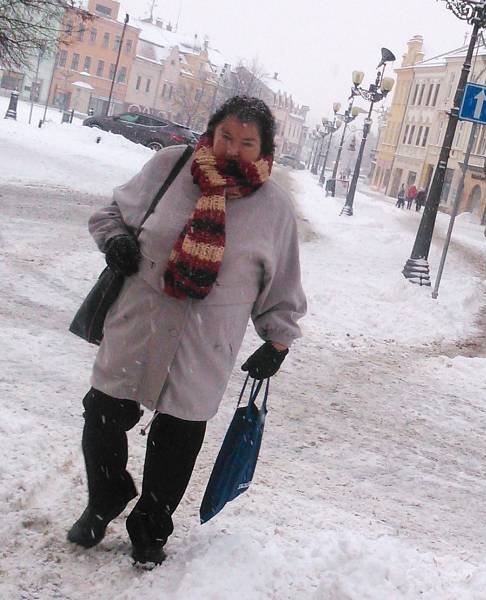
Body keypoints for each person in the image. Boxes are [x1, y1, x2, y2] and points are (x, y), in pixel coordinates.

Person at [66, 96, 307, 567]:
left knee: (177, 437)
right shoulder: (170, 166)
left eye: (246, 143)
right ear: (212, 132)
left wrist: (277, 341)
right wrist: (115, 241)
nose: (233, 150)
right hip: (141, 320)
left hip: (205, 338)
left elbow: (282, 283)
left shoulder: (274, 208)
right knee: (102, 411)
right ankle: (106, 496)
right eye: (226, 137)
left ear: (264, 149)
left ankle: (151, 527)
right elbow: (110, 213)